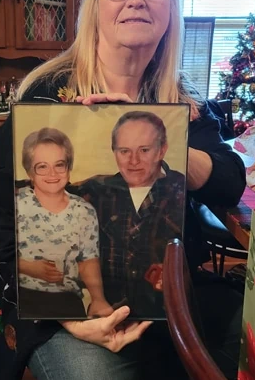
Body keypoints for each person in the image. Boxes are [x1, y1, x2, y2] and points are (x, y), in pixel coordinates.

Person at [0, 0, 246, 380]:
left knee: (248, 348)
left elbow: (230, 181)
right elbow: (7, 233)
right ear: (95, 4)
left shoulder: (181, 100)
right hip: (57, 303)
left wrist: (169, 141)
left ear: (171, 5)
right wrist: (73, 317)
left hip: (160, 298)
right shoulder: (45, 96)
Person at [72, 110, 186, 319]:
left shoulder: (179, 190)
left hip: (164, 313)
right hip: (107, 309)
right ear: (114, 152)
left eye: (144, 150)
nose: (134, 160)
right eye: (124, 151)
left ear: (162, 150)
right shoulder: (97, 190)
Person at [16, 127, 110, 319]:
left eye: (59, 165)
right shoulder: (16, 204)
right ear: (29, 172)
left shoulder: (84, 211)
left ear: (69, 168)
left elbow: (88, 260)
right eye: (42, 166)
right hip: (22, 294)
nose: (52, 174)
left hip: (66, 298)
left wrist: (98, 299)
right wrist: (30, 268)